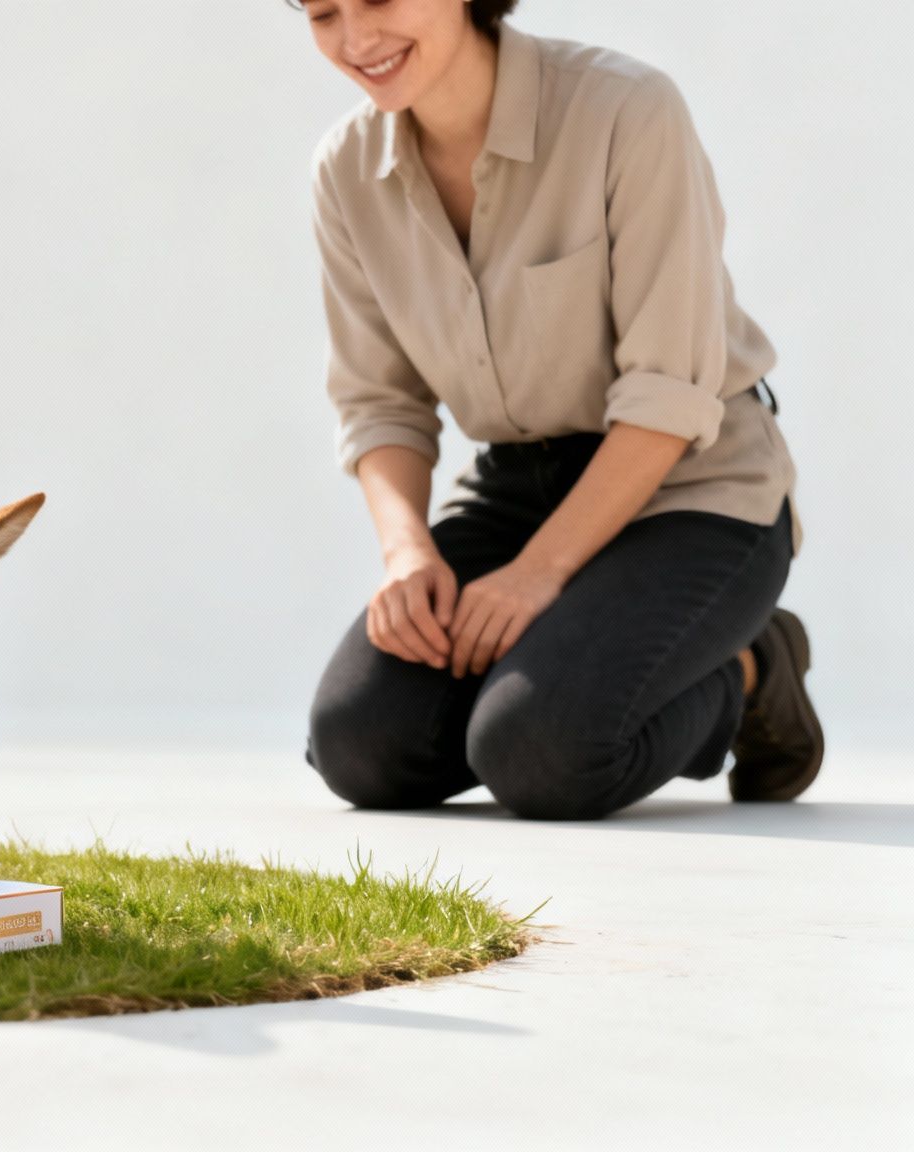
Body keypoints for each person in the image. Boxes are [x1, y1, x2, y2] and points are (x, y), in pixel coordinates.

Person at [297, 0, 822, 818]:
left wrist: (540, 576)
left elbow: (668, 392)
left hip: (693, 482)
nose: (356, 40)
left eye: (378, 0)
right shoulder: (345, 170)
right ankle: (555, 677)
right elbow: (380, 401)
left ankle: (752, 667)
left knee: (542, 753)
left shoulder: (625, 110)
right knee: (361, 746)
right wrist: (406, 554)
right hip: (516, 485)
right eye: (324, 13)